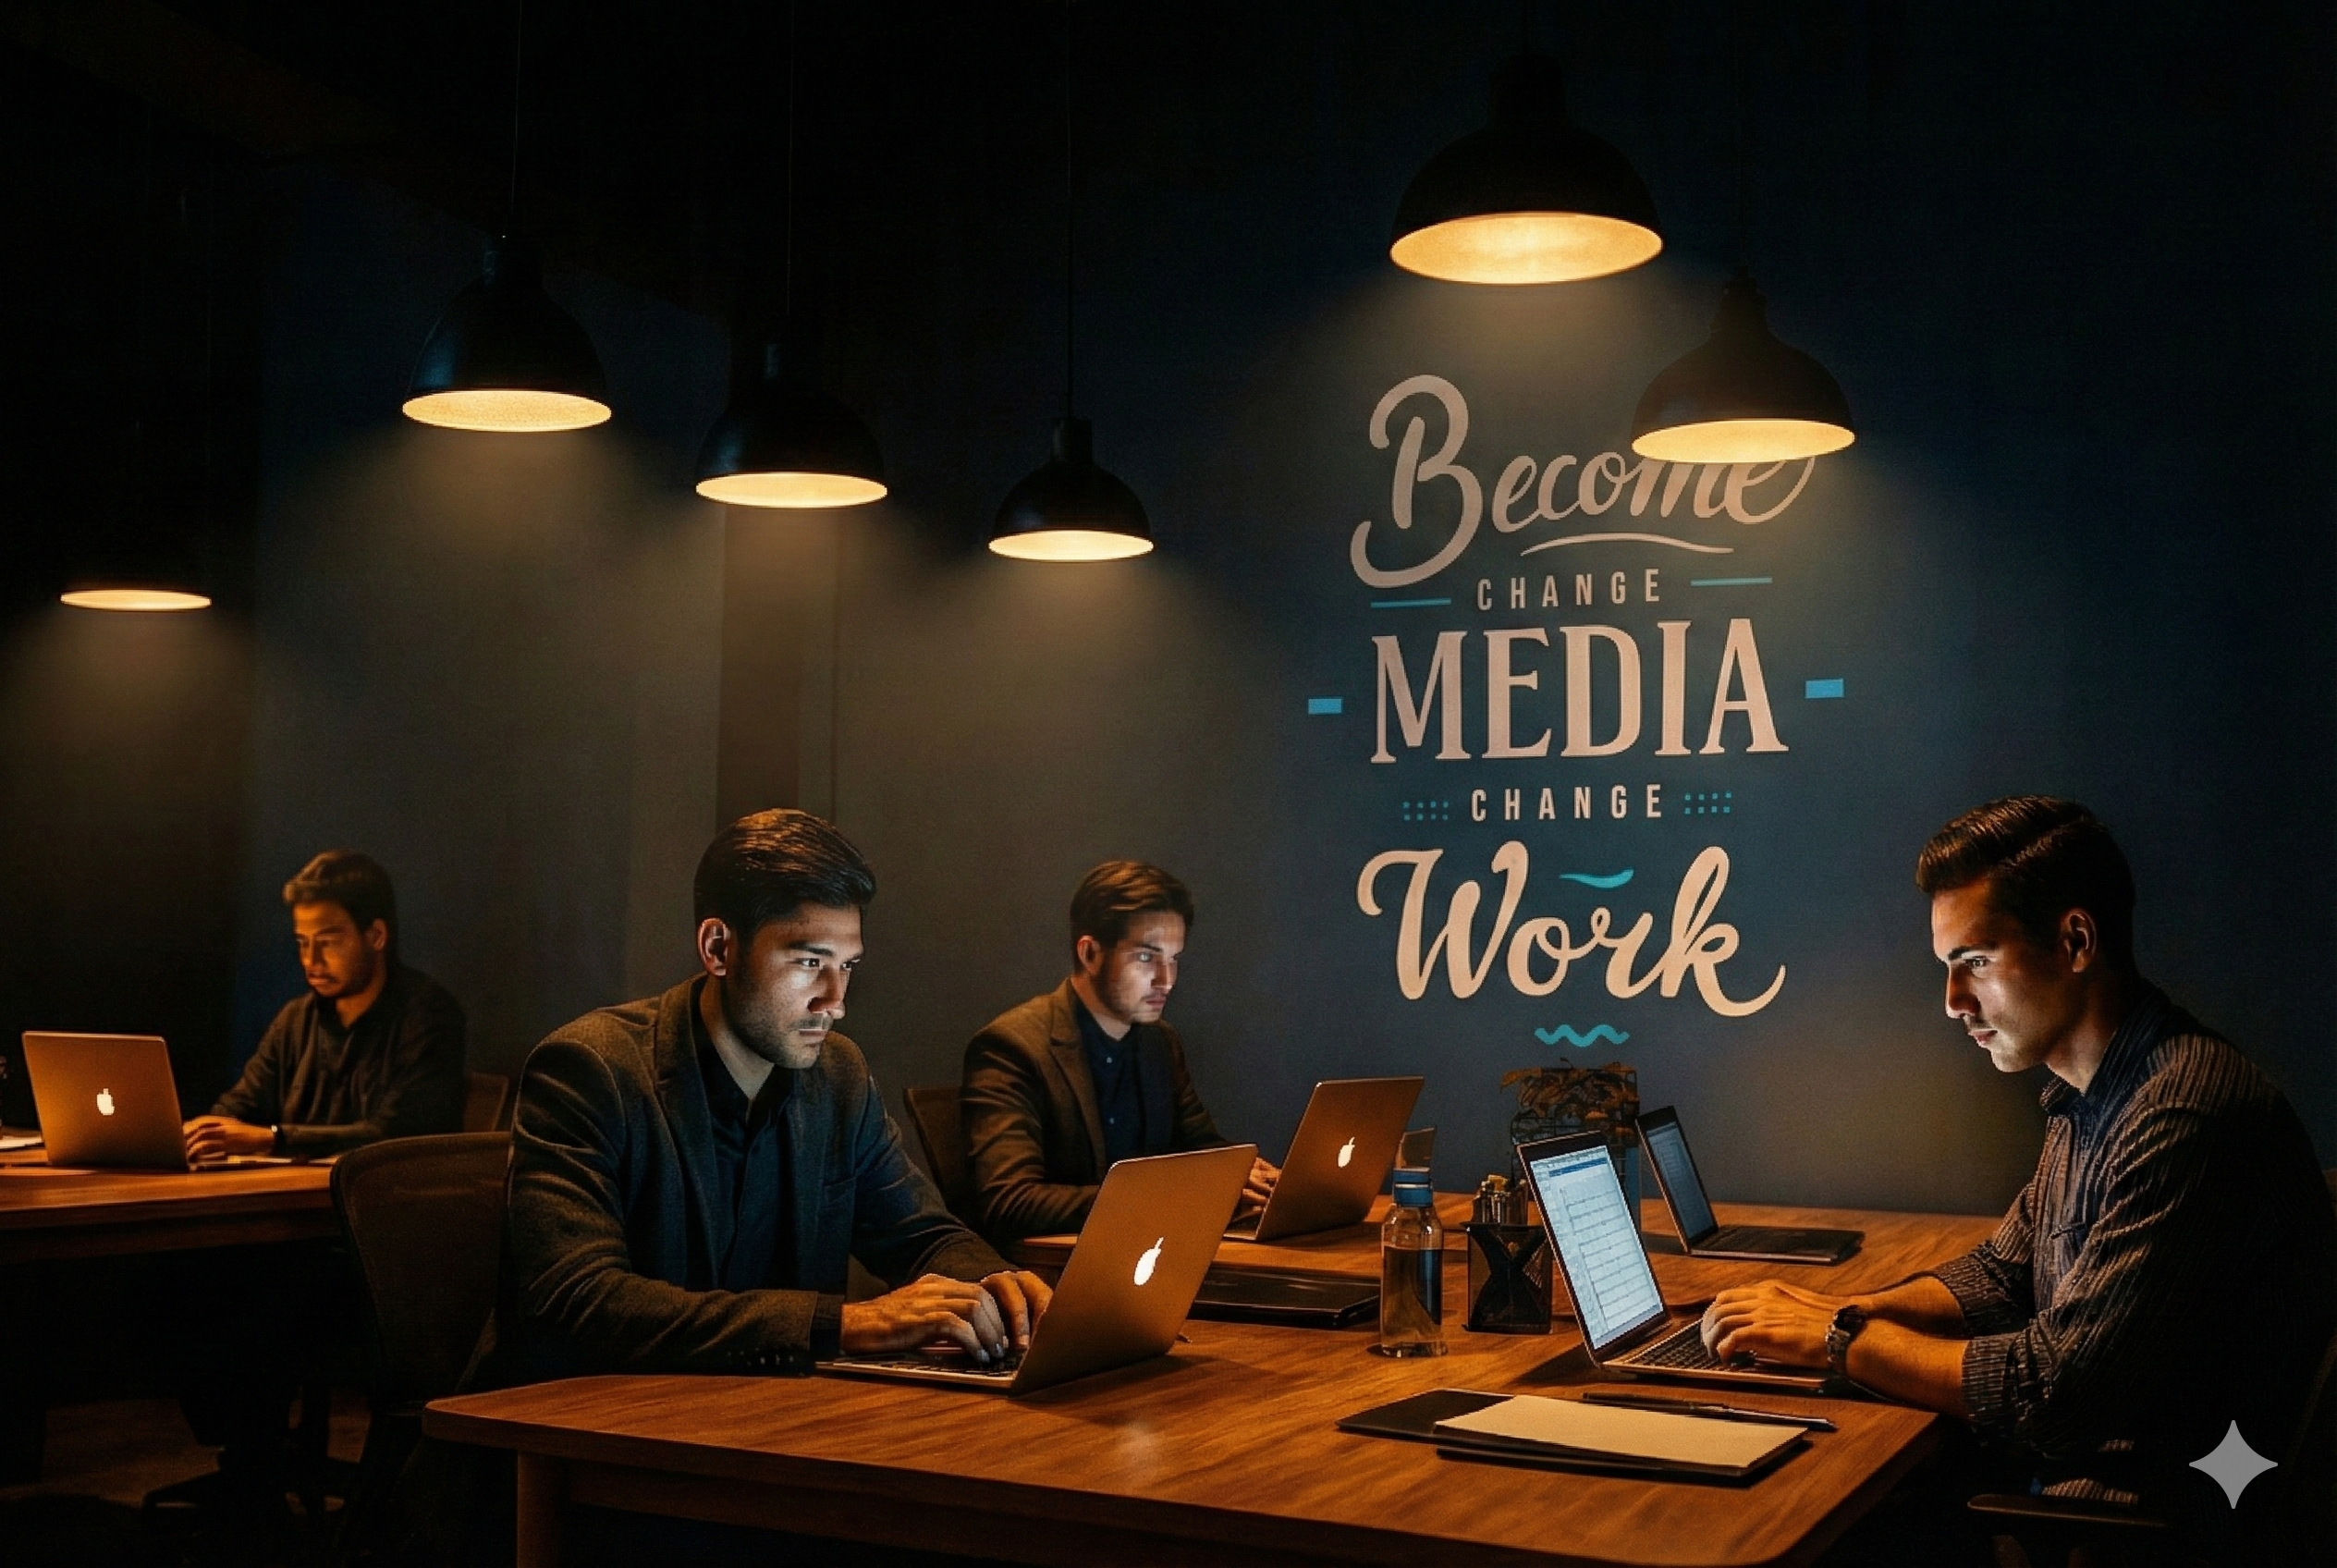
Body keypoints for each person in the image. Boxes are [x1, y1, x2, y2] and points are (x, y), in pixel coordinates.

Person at [1706, 797, 2337, 1534]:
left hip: (2145, 1513)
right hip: (2093, 1474)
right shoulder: (2097, 1091)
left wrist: (1837, 1343)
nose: (1952, 1001)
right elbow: (2005, 1273)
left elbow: (2052, 1392)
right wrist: (1856, 1311)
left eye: (1974, 961)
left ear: (2074, 941)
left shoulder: (2179, 1117)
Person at [476, 808, 1051, 1391]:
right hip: (569, 1434)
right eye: (809, 963)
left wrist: (1003, 1283)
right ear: (719, 948)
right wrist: (843, 1323)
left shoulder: (839, 1076)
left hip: (756, 1421)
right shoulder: (589, 1068)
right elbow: (577, 1303)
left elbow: (921, 1236)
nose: (835, 1001)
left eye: (846, 967)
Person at [961, 860, 1277, 1243]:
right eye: (1147, 957)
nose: (1167, 980)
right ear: (1090, 953)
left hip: (1153, 1254)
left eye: (1173, 958)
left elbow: (1201, 1146)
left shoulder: (1160, 1041)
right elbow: (1010, 1202)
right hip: (1058, 1275)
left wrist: (1242, 1173)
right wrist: (1177, 1196)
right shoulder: (1011, 1046)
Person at [186, 850, 467, 1161]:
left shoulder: (429, 1016)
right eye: (303, 943)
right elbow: (239, 1107)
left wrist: (274, 1139)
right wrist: (206, 1131)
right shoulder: (296, 1019)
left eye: (327, 942)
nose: (311, 961)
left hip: (385, 1203)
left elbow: (398, 1133)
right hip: (294, 1198)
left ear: (375, 936)